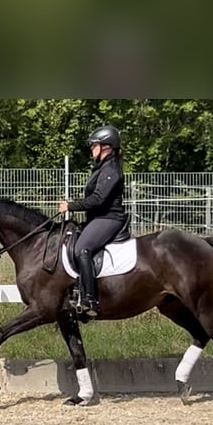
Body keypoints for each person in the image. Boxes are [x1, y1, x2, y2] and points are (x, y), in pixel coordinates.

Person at [58, 125, 126, 317]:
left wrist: (70, 206)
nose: (91, 149)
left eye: (94, 145)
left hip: (109, 218)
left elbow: (98, 199)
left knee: (82, 249)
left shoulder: (111, 169)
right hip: (98, 218)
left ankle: (90, 300)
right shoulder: (102, 168)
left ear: (106, 146)